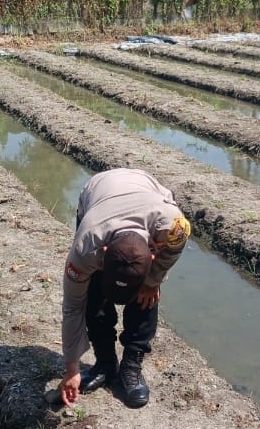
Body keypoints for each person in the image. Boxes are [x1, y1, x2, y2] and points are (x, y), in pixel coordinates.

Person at [59, 168, 191, 408]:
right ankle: (105, 363)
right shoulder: (86, 247)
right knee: (94, 295)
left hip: (145, 191)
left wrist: (153, 280)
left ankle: (131, 366)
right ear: (103, 254)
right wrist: (71, 369)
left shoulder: (173, 226)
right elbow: (72, 308)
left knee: (147, 297)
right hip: (98, 193)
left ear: (152, 254)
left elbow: (174, 250)